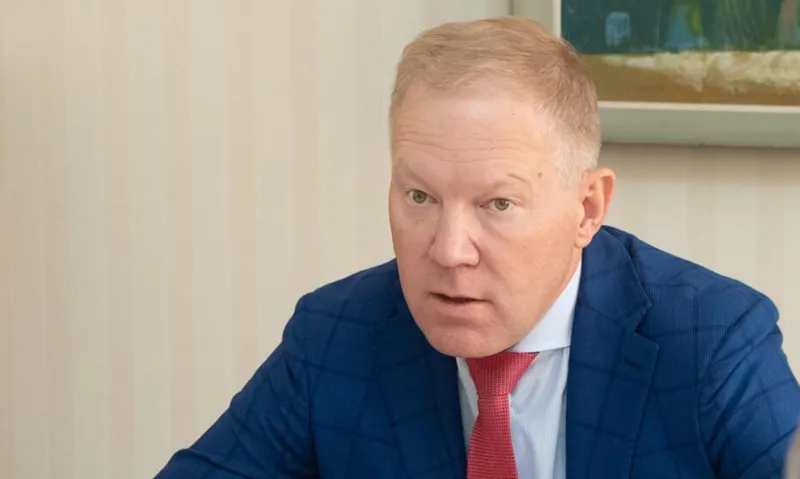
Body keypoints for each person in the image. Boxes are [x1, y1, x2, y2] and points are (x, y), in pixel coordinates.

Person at [154, 17, 800, 479]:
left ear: (587, 208)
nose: (449, 250)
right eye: (420, 197)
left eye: (498, 204)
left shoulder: (710, 338)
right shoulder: (336, 335)